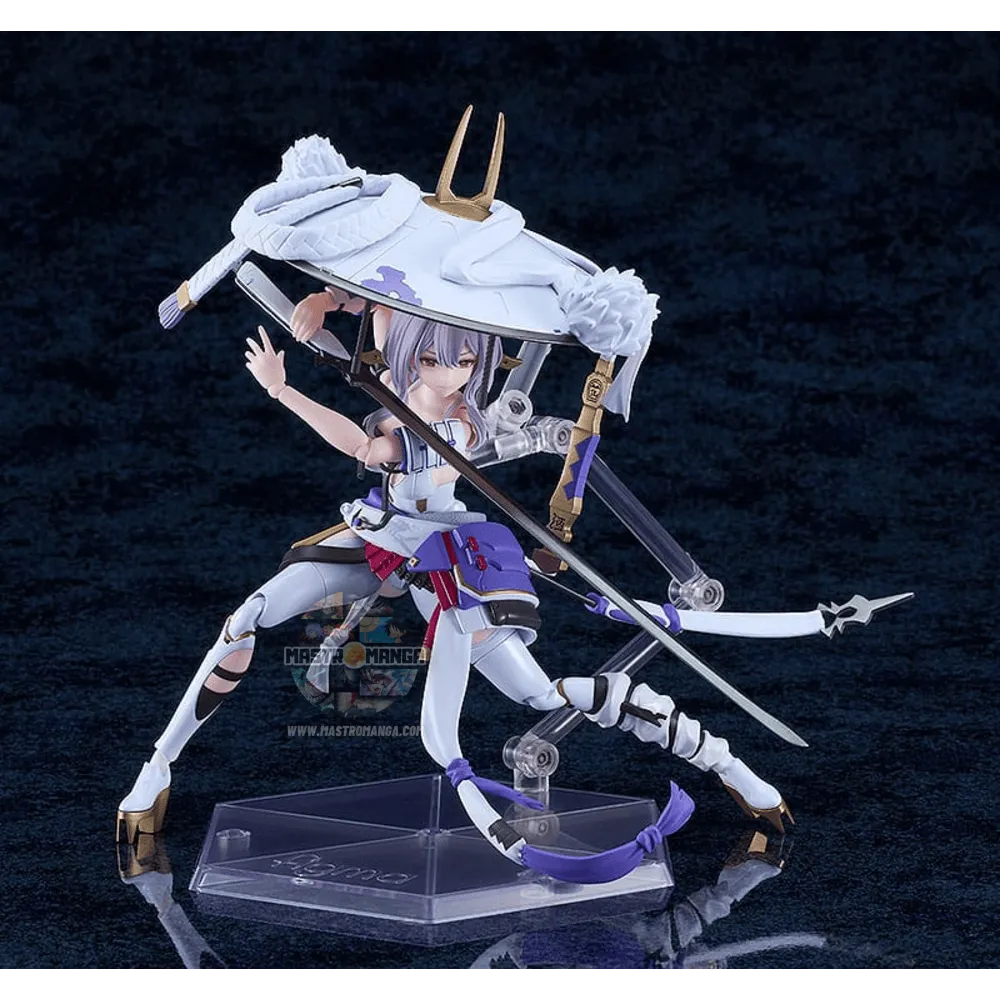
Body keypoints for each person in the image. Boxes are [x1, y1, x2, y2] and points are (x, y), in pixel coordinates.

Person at [117, 288, 791, 875]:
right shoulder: (396, 382)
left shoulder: (465, 425)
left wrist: (290, 393)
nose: (452, 372)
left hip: (442, 558)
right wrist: (319, 311)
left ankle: (730, 767)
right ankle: (157, 769)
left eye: (466, 362)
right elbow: (379, 321)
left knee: (537, 694)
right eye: (437, 359)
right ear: (411, 354)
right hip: (376, 538)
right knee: (248, 617)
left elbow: (380, 450)